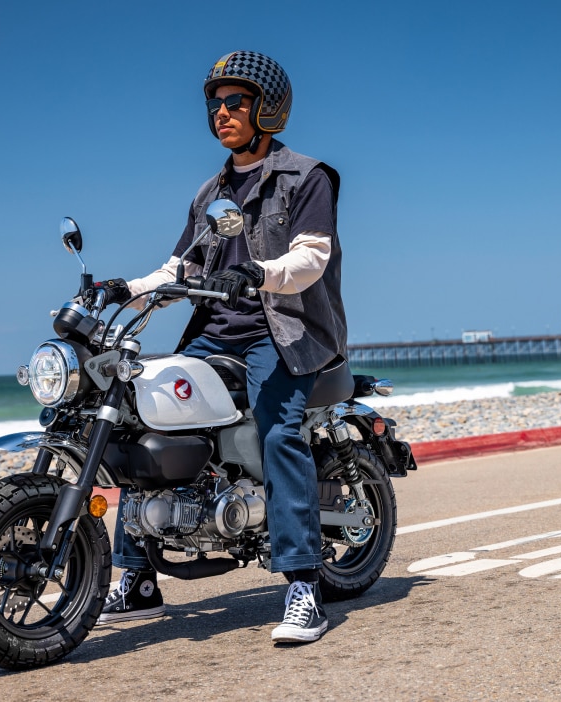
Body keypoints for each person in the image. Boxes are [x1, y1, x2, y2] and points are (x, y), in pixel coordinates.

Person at [94, 50, 346, 645]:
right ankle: (138, 578)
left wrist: (258, 274)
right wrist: (125, 289)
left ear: (268, 109)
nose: (222, 112)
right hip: (213, 334)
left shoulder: (306, 177)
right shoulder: (211, 191)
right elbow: (179, 269)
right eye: (215, 103)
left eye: (236, 102)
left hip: (282, 331)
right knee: (140, 413)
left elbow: (312, 258)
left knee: (279, 432)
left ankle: (304, 586)